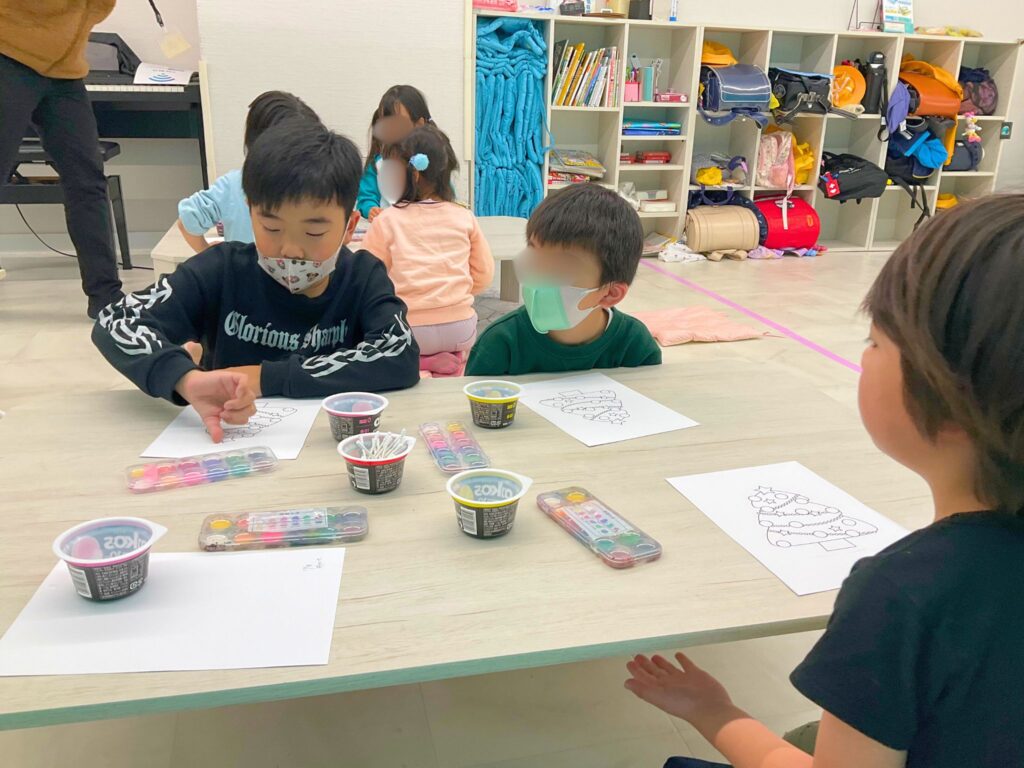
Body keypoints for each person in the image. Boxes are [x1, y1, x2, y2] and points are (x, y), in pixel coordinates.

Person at [624, 195, 1024, 768]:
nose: (863, 358)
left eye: (876, 342)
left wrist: (714, 712)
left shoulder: (903, 594)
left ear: (951, 399)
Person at [92, 120, 420, 441]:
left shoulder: (362, 276)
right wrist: (184, 379)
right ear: (251, 214)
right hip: (228, 441)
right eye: (271, 228)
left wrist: (264, 377)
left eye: (314, 232)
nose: (290, 249)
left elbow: (399, 353)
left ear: (349, 227)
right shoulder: (220, 270)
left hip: (331, 444)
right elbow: (114, 322)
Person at [0, 0, 124, 317]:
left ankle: (107, 298)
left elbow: (97, 10)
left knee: (88, 181)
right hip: (9, 56)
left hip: (65, 71)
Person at [465, 184, 661, 376]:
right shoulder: (499, 344)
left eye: (560, 268)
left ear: (609, 294)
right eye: (535, 255)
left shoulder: (635, 346)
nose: (539, 275)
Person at [362, 125, 493, 377]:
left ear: (411, 176)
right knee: (458, 353)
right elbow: (483, 275)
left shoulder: (387, 220)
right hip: (460, 327)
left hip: (408, 329)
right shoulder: (464, 217)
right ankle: (453, 363)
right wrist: (454, 294)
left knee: (375, 343)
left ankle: (421, 364)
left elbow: (368, 278)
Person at [176, 90, 322, 252]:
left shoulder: (232, 184)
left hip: (242, 267)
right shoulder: (320, 186)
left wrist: (209, 254)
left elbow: (187, 220)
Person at [357, 85, 435, 222]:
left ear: (419, 124)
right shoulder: (378, 164)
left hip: (426, 226)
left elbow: (446, 196)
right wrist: (371, 209)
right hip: (390, 227)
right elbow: (366, 198)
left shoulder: (434, 160)